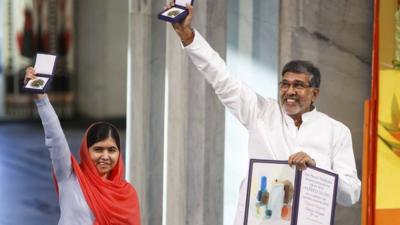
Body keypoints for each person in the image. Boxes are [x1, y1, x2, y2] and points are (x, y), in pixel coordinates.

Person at [167, 3, 361, 225]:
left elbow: (351, 194)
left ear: (314, 93)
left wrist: (316, 168)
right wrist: (189, 36)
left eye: (298, 85)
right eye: (284, 84)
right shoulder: (260, 111)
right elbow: (220, 76)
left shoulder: (336, 131)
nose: (289, 91)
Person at [24, 68, 141, 225]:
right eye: (98, 149)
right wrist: (41, 99)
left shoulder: (127, 194)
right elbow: (56, 138)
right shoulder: (69, 176)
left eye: (112, 150)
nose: (105, 156)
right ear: (87, 151)